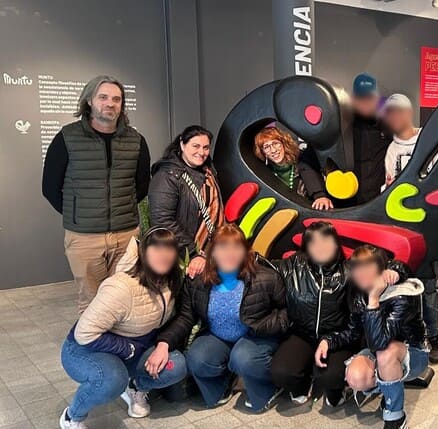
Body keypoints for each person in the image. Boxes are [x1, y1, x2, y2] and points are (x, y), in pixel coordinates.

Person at [58, 228, 187, 429]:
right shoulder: (121, 286)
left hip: (133, 349)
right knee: (110, 379)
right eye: (156, 248)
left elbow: (174, 320)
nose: (163, 254)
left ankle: (135, 387)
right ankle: (72, 418)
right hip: (85, 350)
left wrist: (162, 345)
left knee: (176, 366)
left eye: (169, 248)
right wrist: (127, 348)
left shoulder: (171, 282)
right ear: (142, 252)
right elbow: (84, 333)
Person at [42, 75, 151, 312]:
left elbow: (142, 185)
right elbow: (50, 187)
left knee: (124, 297)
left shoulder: (136, 140)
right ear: (89, 100)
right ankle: (92, 348)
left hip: (126, 234)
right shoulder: (66, 138)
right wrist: (79, 214)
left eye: (116, 99)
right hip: (84, 238)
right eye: (103, 97)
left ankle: (120, 347)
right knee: (91, 302)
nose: (110, 103)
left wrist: (123, 210)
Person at [268, 221, 405, 407]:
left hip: (338, 337)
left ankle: (336, 390)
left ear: (335, 243)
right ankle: (301, 384)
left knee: (330, 377)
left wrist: (395, 270)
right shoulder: (293, 266)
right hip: (302, 334)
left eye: (326, 240)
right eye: (313, 242)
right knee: (282, 372)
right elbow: (264, 264)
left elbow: (384, 262)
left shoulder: (349, 269)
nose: (320, 247)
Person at [154, 224, 289, 411]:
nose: (229, 254)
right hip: (219, 337)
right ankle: (224, 384)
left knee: (242, 357)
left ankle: (268, 386)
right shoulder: (198, 282)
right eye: (223, 248)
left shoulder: (266, 278)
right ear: (212, 252)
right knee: (197, 358)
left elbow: (287, 311)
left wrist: (268, 326)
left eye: (236, 247)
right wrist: (164, 343)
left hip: (256, 336)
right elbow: (186, 317)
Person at [341, 245, 429, 429]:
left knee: (386, 353)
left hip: (412, 352)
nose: (361, 273)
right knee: (356, 376)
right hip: (377, 350)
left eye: (368, 267)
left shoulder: (401, 295)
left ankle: (395, 418)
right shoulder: (357, 293)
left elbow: (380, 343)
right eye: (357, 267)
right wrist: (328, 342)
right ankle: (390, 388)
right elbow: (354, 331)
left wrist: (373, 300)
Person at [380, 93, 438, 364]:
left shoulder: (430, 141)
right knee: (405, 285)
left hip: (428, 226)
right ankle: (412, 337)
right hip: (402, 229)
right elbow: (387, 187)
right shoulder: (391, 149)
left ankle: (434, 336)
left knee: (429, 287)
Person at [149, 125, 224, 279]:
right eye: (195, 146)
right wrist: (193, 252)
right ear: (182, 144)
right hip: (183, 256)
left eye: (206, 147)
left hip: (210, 250)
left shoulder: (208, 171)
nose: (201, 152)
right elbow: (162, 221)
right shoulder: (167, 175)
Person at [253, 125, 333, 210]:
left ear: (284, 144)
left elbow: (312, 178)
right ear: (263, 152)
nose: (273, 150)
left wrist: (320, 197)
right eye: (266, 147)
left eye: (275, 143)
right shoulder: (265, 173)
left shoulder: (302, 162)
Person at [351, 73, 391, 204]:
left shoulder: (388, 124)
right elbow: (309, 160)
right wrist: (319, 194)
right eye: (361, 97)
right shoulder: (341, 125)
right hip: (347, 204)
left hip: (379, 201)